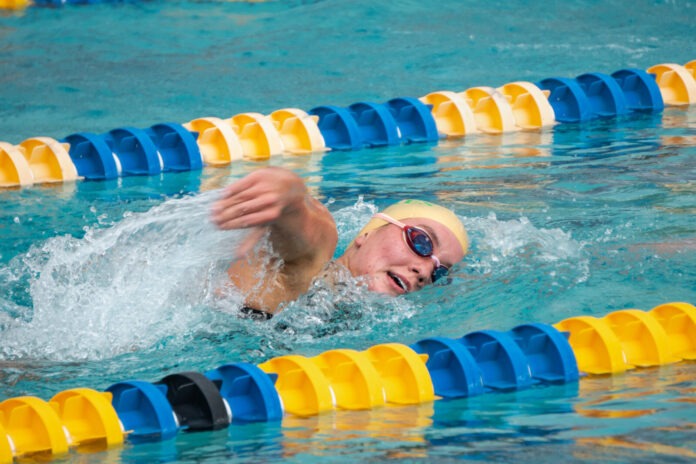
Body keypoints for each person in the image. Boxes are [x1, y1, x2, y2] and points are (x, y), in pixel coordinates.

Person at [211, 167, 468, 318]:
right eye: (421, 242)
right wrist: (287, 192)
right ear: (366, 234)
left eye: (439, 270)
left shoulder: (348, 311)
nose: (424, 271)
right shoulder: (308, 272)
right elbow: (313, 231)